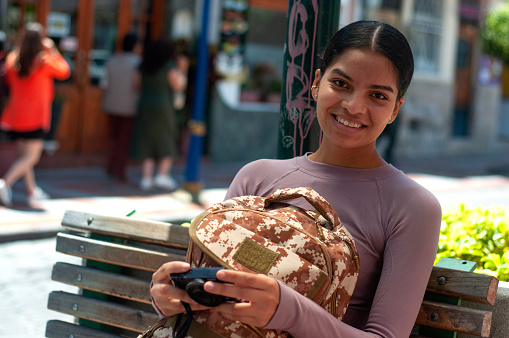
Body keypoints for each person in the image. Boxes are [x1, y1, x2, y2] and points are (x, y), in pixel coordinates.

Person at [150, 21, 442, 337]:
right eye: (341, 84)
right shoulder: (255, 177)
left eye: (378, 96)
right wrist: (169, 298)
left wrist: (290, 313)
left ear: (396, 109)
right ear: (317, 82)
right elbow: (213, 286)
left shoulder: (412, 207)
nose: (354, 106)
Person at [0, 23, 70, 207]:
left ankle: (32, 192)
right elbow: (64, 71)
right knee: (32, 157)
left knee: (24, 156)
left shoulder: (13, 59)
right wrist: (53, 49)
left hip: (15, 115)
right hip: (36, 115)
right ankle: (5, 182)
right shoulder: (43, 60)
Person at [131, 39, 184, 191]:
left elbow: (136, 85)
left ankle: (146, 178)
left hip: (145, 105)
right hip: (163, 106)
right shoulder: (169, 67)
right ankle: (162, 175)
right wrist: (182, 69)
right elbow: (178, 85)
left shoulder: (142, 66)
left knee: (146, 139)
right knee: (166, 138)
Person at [101, 33, 141, 182]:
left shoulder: (112, 61)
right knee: (124, 140)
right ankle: (119, 170)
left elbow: (104, 83)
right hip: (129, 106)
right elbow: (137, 84)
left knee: (113, 138)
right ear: (135, 46)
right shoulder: (138, 63)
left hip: (111, 104)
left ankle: (111, 165)